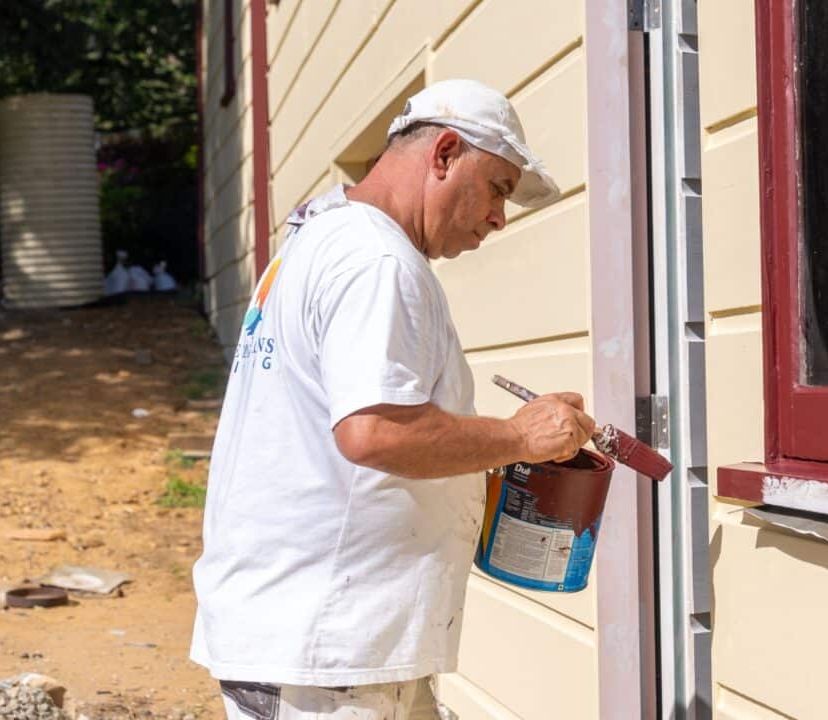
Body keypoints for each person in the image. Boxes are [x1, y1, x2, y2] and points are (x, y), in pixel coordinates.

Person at [190, 79, 597, 720]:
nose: (499, 216)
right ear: (444, 153)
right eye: (498, 189)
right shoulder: (377, 260)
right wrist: (520, 438)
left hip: (317, 639)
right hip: (328, 651)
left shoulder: (319, 240)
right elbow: (375, 432)